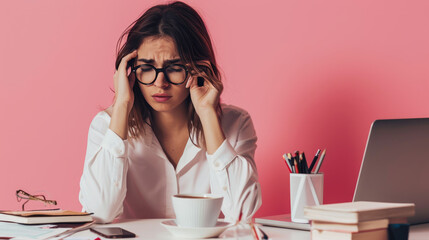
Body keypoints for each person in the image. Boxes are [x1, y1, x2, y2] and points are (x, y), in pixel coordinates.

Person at [79, 1, 262, 224]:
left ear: (199, 68)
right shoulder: (106, 125)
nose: (160, 83)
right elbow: (98, 213)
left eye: (175, 68)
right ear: (129, 72)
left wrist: (207, 114)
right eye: (146, 68)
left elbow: (242, 214)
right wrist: (122, 106)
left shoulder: (235, 123)